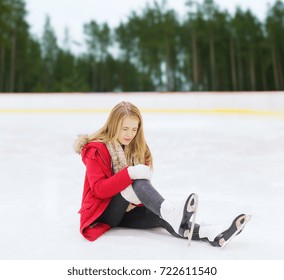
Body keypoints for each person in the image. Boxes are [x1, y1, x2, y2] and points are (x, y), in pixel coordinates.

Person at [74, 101, 250, 247]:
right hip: (103, 213)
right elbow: (99, 190)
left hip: (129, 212)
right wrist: (130, 173)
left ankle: (212, 234)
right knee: (136, 180)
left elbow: (140, 187)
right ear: (113, 126)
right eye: (124, 128)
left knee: (164, 219)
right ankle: (171, 213)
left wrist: (135, 185)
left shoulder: (138, 148)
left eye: (134, 129)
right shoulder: (96, 150)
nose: (130, 134)